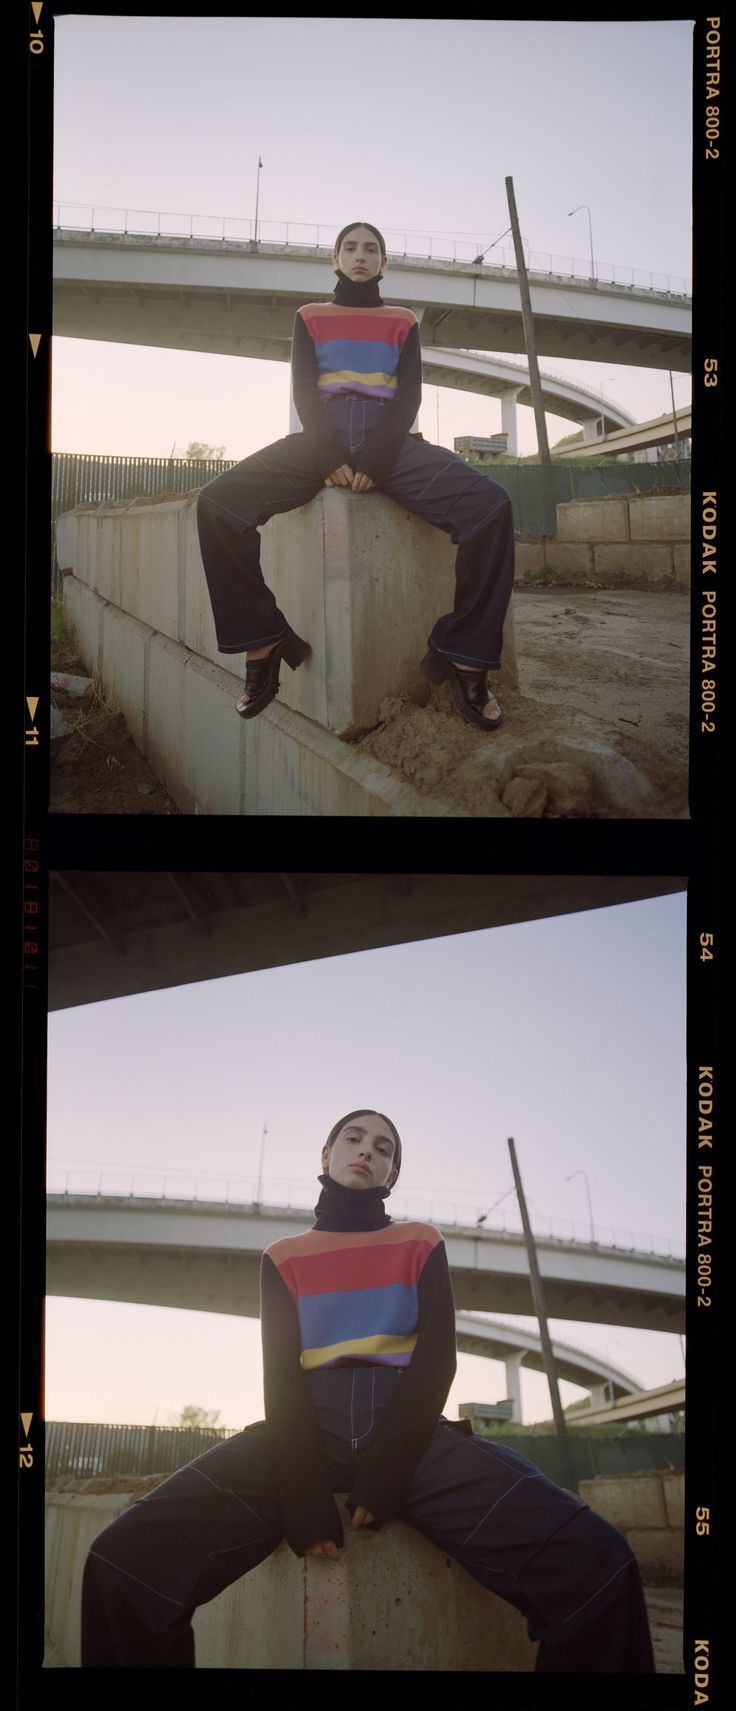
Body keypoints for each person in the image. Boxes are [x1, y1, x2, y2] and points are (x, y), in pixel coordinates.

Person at [81, 1109, 655, 1672]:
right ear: (326, 1156)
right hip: (306, 1425)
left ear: (392, 1175)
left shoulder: (421, 1242)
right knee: (122, 1564)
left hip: (412, 1432)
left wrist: (386, 1475)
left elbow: (436, 1361)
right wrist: (303, 1496)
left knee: (599, 1564)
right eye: (353, 1138)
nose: (367, 1150)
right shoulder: (281, 1257)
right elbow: (279, 1376)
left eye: (384, 1148)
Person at [196, 222, 515, 731]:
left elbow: (407, 395)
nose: (360, 255)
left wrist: (379, 460)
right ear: (335, 260)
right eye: (350, 248)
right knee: (216, 505)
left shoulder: (403, 320)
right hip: (319, 437)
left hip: (390, 440)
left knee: (492, 506)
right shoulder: (310, 316)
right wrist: (326, 456)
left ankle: (466, 655)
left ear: (384, 263)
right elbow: (304, 388)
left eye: (371, 249)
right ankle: (263, 641)